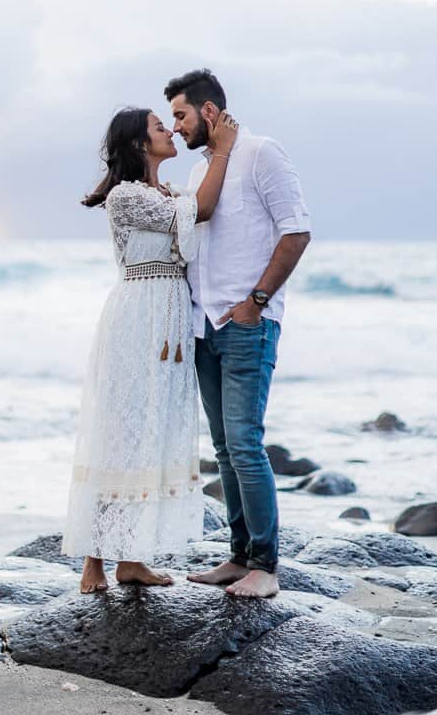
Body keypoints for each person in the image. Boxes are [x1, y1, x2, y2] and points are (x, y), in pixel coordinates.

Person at [64, 105, 237, 593]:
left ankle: (131, 559)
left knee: (151, 432)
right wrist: (221, 152)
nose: (169, 131)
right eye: (160, 128)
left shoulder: (168, 192)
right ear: (140, 145)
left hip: (169, 322)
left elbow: (199, 211)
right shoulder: (125, 197)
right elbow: (201, 210)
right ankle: (94, 562)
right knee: (120, 431)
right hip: (137, 319)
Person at [166, 69, 312, 599]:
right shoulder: (201, 171)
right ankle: (237, 556)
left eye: (181, 115)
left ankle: (266, 568)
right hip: (204, 327)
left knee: (246, 445)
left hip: (246, 324)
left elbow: (297, 231)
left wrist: (256, 302)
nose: (175, 127)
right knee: (225, 449)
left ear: (208, 111)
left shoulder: (261, 152)